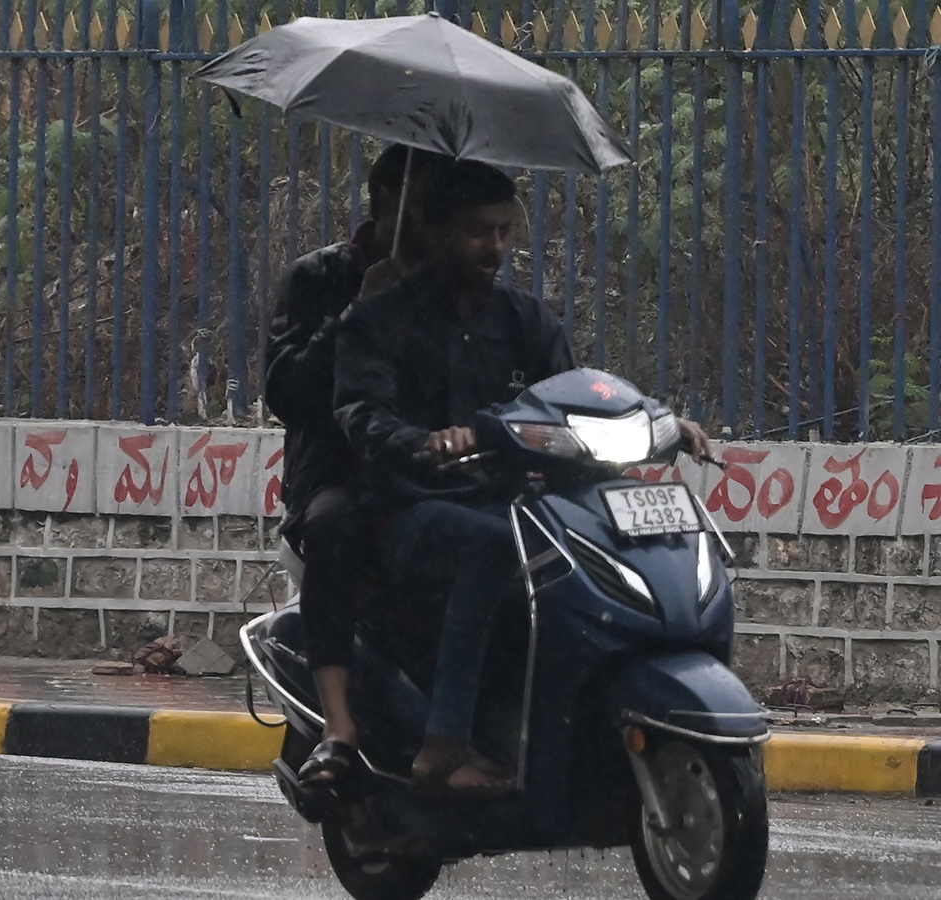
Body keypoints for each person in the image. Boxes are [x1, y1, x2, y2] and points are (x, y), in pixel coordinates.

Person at [334, 160, 713, 796]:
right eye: (479, 232)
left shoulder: (527, 322)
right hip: (412, 508)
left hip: (519, 504)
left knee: (592, 544)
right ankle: (446, 742)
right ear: (437, 231)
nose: (496, 247)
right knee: (491, 545)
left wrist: (661, 421)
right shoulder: (381, 320)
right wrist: (423, 442)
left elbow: (576, 399)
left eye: (505, 231)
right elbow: (359, 413)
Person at [265, 143, 445, 785]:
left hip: (433, 475)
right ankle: (339, 726)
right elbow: (286, 391)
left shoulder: (460, 291)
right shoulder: (319, 279)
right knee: (339, 525)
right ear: (383, 204)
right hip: (338, 474)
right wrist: (358, 308)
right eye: (416, 209)